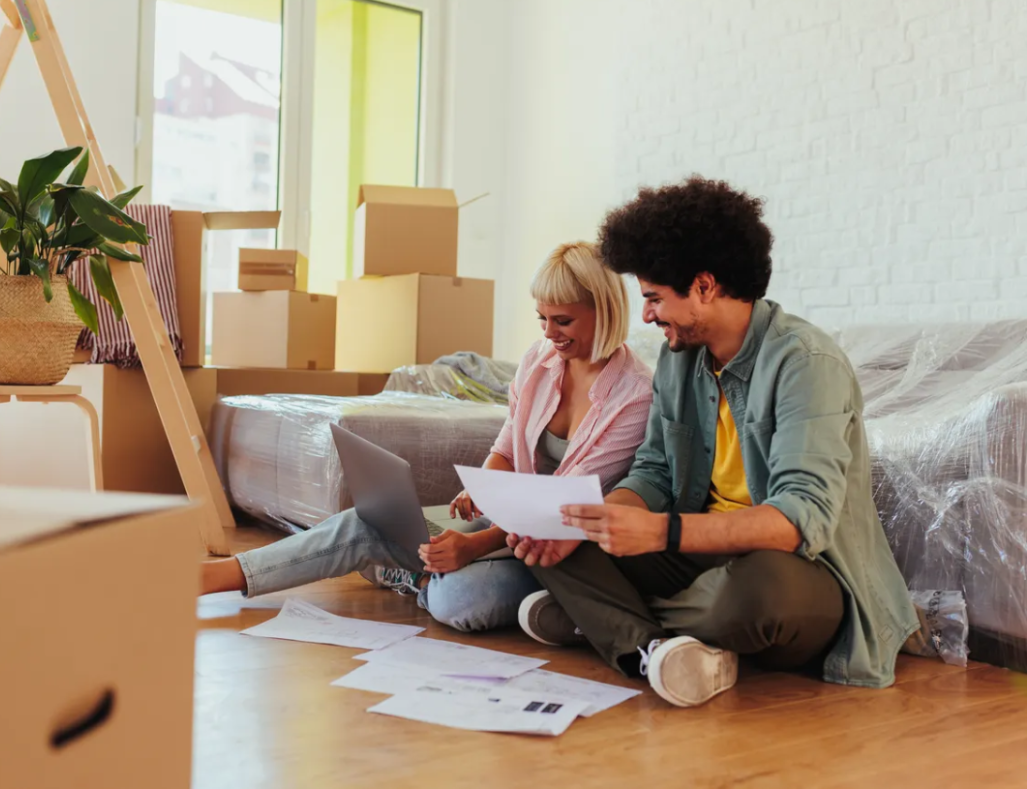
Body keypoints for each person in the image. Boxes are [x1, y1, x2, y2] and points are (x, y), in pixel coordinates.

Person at [512, 177, 917, 708]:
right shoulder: (679, 361)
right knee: (551, 539)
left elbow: (799, 520)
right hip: (699, 557)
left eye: (654, 297)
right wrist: (597, 522)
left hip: (798, 570)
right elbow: (654, 471)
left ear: (703, 287)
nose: (648, 315)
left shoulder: (805, 364)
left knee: (758, 598)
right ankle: (654, 650)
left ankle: (607, 622)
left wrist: (660, 532)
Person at [201, 241, 654, 633]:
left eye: (563, 322)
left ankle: (413, 577)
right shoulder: (540, 360)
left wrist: (474, 544)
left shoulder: (633, 395)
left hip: (562, 550)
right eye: (542, 319)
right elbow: (505, 445)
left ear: (604, 310)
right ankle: (215, 577)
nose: (548, 334)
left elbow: (557, 508)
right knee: (363, 522)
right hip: (509, 525)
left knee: (461, 600)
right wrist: (481, 489)